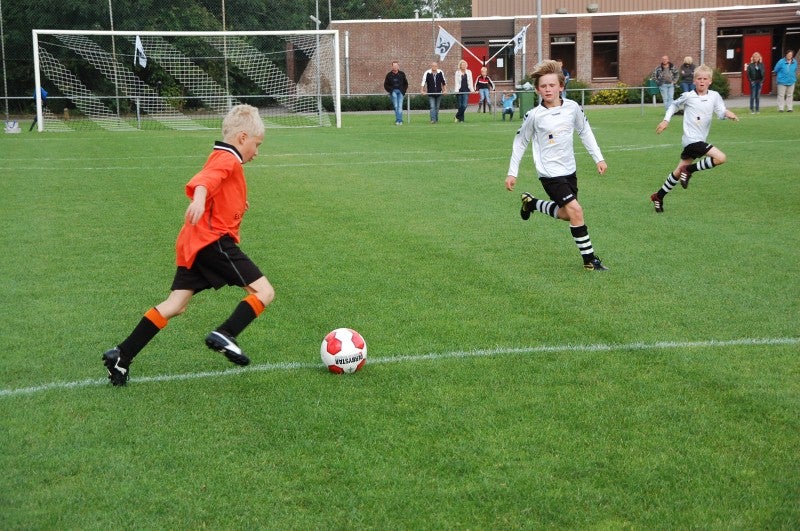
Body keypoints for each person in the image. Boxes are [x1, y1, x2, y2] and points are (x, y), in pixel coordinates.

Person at [102, 104, 275, 386]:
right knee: (264, 291)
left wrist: (236, 203)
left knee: (176, 304)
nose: (257, 151)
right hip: (213, 241)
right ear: (243, 138)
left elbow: (218, 185)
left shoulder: (223, 157)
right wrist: (199, 199)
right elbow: (205, 181)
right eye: (257, 144)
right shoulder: (228, 159)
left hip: (194, 242)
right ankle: (226, 333)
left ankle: (122, 355)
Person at [505, 60, 609, 272]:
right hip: (549, 173)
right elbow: (520, 142)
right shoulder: (534, 115)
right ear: (537, 90)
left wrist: (598, 158)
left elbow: (585, 131)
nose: (548, 89)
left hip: (569, 170)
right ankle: (590, 260)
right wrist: (512, 172)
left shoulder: (573, 108)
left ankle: (532, 204)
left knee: (567, 214)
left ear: (561, 86)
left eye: (552, 85)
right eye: (543, 86)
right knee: (576, 211)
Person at [649, 64, 739, 214]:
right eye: (699, 78)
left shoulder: (714, 96)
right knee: (721, 158)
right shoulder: (688, 96)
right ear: (694, 80)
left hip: (699, 140)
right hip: (691, 140)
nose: (702, 81)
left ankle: (659, 196)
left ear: (710, 81)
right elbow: (673, 106)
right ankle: (689, 170)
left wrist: (727, 114)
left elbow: (720, 112)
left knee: (678, 172)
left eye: (705, 79)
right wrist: (666, 120)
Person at [384, 60, 409, 125]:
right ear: (392, 66)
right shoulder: (389, 75)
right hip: (393, 92)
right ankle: (398, 120)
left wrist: (403, 91)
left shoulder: (402, 74)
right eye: (394, 66)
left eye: (396, 65)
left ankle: (399, 120)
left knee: (400, 106)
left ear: (398, 66)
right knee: (396, 106)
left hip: (400, 92)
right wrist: (391, 91)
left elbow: (406, 83)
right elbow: (385, 85)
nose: (395, 67)